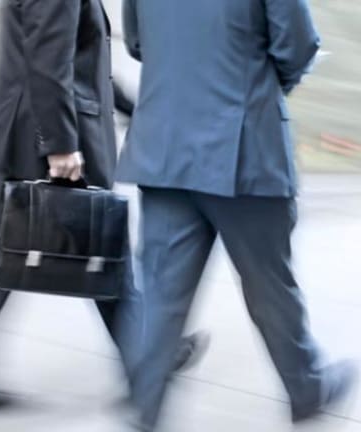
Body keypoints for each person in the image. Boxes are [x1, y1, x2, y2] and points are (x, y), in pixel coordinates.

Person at [0, 0, 206, 413]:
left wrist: (138, 109)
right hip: (45, 141)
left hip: (30, 135)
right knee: (102, 254)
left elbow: (83, 65)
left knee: (7, 266)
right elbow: (48, 61)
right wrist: (60, 145)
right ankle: (150, 362)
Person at [117, 0, 357, 429]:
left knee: (160, 292)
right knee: (270, 286)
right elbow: (298, 46)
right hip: (243, 149)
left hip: (165, 146)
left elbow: (137, 43)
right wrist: (255, 87)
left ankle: (145, 408)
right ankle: (306, 388)